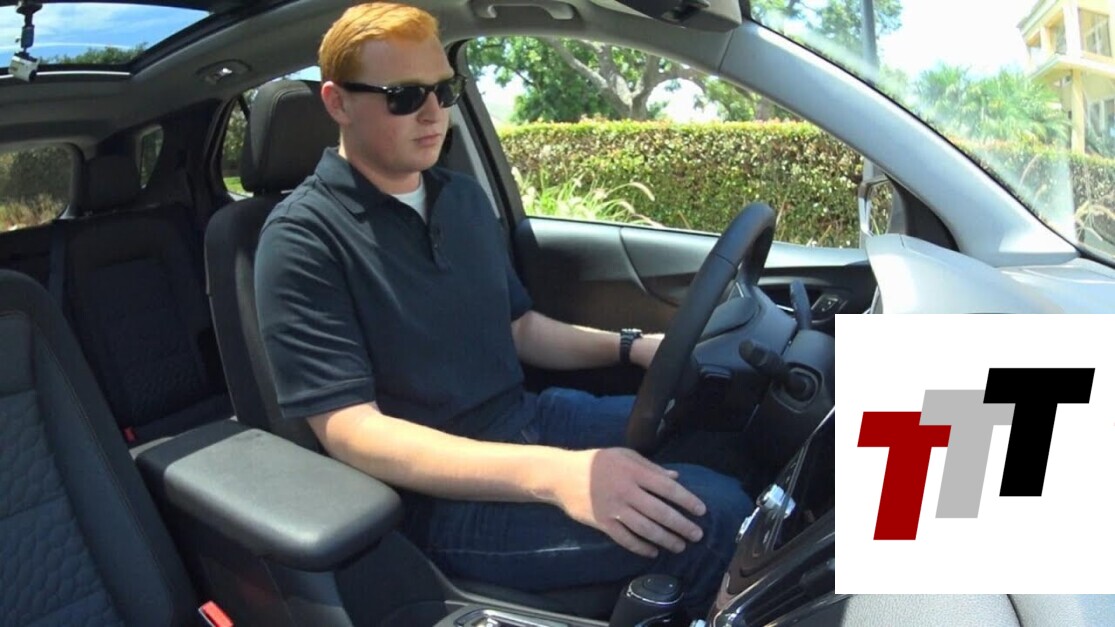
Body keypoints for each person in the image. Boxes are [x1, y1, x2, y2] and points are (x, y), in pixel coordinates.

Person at [254, 1, 751, 614]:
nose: (433, 113)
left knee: (722, 428)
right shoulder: (302, 238)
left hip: (528, 416)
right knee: (714, 517)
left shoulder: (460, 198)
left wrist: (633, 346)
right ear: (337, 103)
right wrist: (557, 476)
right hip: (439, 503)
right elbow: (353, 432)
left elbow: (520, 328)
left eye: (444, 90)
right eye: (403, 96)